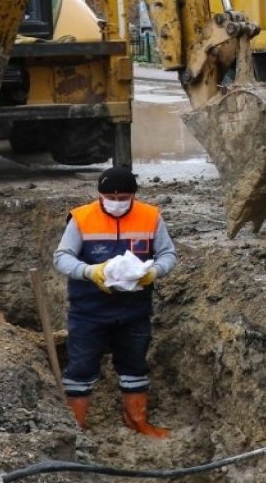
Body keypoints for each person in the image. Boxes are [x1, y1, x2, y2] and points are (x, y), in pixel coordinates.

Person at [53, 167, 177, 436]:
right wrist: (90, 271)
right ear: (100, 194)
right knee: (81, 367)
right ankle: (77, 427)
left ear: (133, 195)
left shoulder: (150, 217)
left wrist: (154, 272)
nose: (117, 201)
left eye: (124, 196)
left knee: (134, 364)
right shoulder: (82, 218)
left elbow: (168, 254)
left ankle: (137, 421)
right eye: (111, 195)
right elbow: (62, 257)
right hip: (88, 310)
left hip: (134, 310)